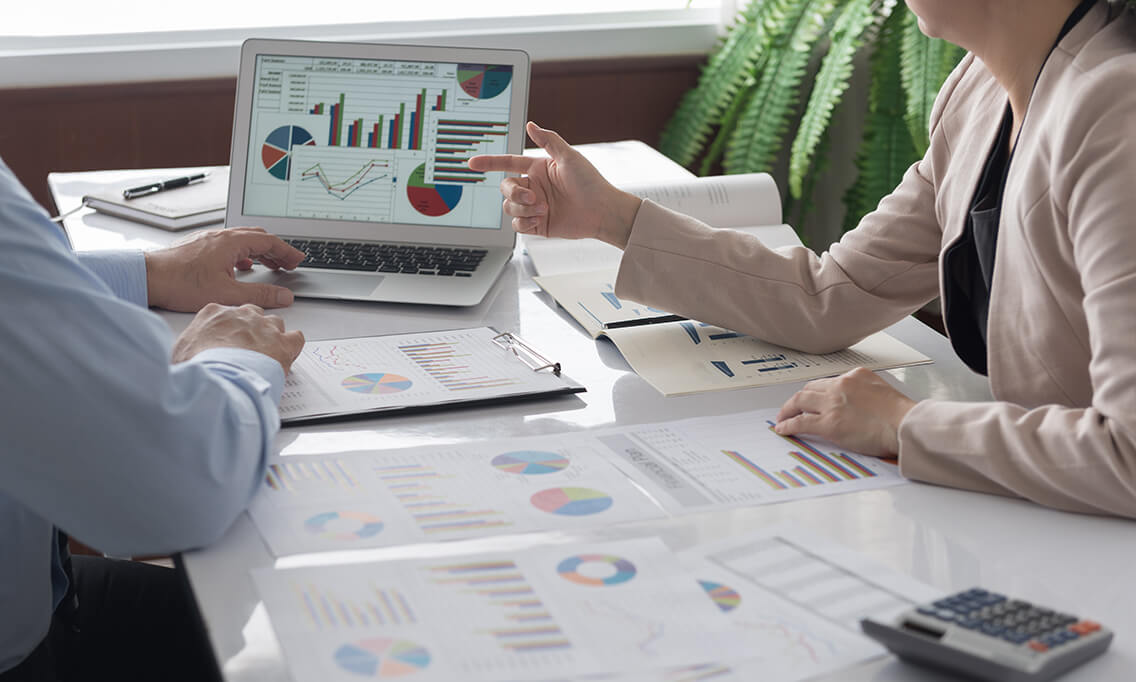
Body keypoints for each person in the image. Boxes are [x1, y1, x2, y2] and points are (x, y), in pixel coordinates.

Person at [470, 0, 1136, 518]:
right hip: (1047, 518)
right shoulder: (980, 95)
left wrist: (908, 423)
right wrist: (610, 217)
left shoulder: (1116, 110)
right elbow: (831, 295)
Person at [0, 158, 307, 681]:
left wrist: (156, 273)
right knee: (300, 636)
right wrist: (235, 360)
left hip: (43, 596)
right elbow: (171, 491)